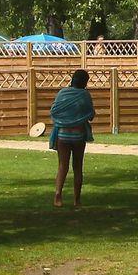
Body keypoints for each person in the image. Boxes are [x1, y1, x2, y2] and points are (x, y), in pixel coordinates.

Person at [48, 68, 96, 208]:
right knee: (77, 167)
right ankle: (77, 200)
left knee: (62, 166)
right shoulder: (85, 95)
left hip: (62, 135)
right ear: (85, 82)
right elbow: (91, 115)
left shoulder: (62, 93)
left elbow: (54, 111)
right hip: (78, 135)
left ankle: (58, 195)